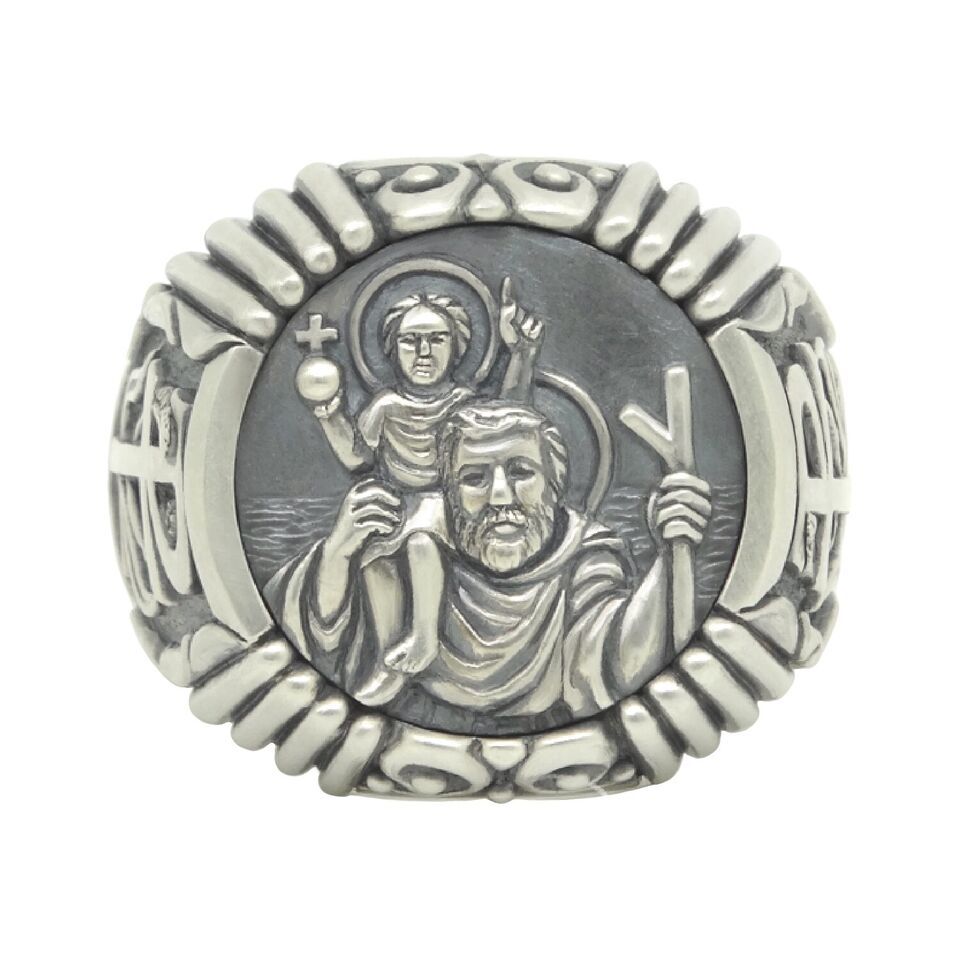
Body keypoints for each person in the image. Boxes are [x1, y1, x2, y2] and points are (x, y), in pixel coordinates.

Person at [267, 400, 713, 732]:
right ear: (449, 492)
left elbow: (611, 663)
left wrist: (672, 553)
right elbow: (315, 640)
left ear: (554, 484)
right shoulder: (402, 555)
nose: (500, 496)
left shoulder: (584, 556)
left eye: (521, 472)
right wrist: (338, 553)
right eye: (474, 478)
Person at [307, 279, 543, 676]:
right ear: (391, 349)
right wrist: (330, 413)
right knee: (374, 561)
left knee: (421, 539)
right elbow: (357, 456)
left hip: (453, 511)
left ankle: (424, 637)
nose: (423, 352)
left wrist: (521, 352)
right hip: (401, 509)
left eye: (436, 339)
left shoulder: (463, 405)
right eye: (410, 340)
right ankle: (387, 660)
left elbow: (508, 423)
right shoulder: (386, 407)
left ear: (457, 347)